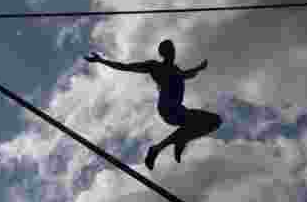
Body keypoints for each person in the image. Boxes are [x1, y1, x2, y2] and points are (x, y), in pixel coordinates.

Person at [85, 40, 222, 170]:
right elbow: (125, 67)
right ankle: (168, 145)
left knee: (214, 121)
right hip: (167, 108)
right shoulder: (155, 67)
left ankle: (170, 144)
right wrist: (101, 60)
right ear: (163, 53)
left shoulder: (176, 70)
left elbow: (188, 74)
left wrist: (198, 68)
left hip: (179, 109)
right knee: (194, 123)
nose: (172, 53)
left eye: (173, 50)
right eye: (169, 51)